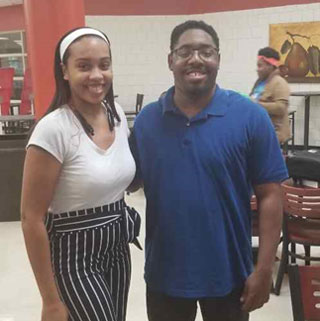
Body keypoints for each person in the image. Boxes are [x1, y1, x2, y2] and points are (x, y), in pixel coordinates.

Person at [129, 20, 288, 321]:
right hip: (166, 274)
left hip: (229, 275)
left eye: (206, 51)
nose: (196, 59)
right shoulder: (148, 121)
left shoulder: (250, 117)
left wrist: (264, 268)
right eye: (185, 51)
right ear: (170, 60)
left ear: (218, 59)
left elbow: (271, 196)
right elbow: (123, 179)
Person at [21, 27, 140, 321]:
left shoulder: (116, 115)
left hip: (117, 245)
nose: (97, 75)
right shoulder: (53, 130)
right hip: (73, 254)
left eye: (104, 64)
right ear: (64, 71)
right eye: (84, 66)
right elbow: (30, 218)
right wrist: (50, 301)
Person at [250, 47, 291, 144]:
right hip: (259, 132)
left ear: (270, 66)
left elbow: (281, 108)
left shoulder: (280, 83)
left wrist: (255, 104)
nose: (257, 69)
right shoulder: (260, 82)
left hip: (274, 135)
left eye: (260, 66)